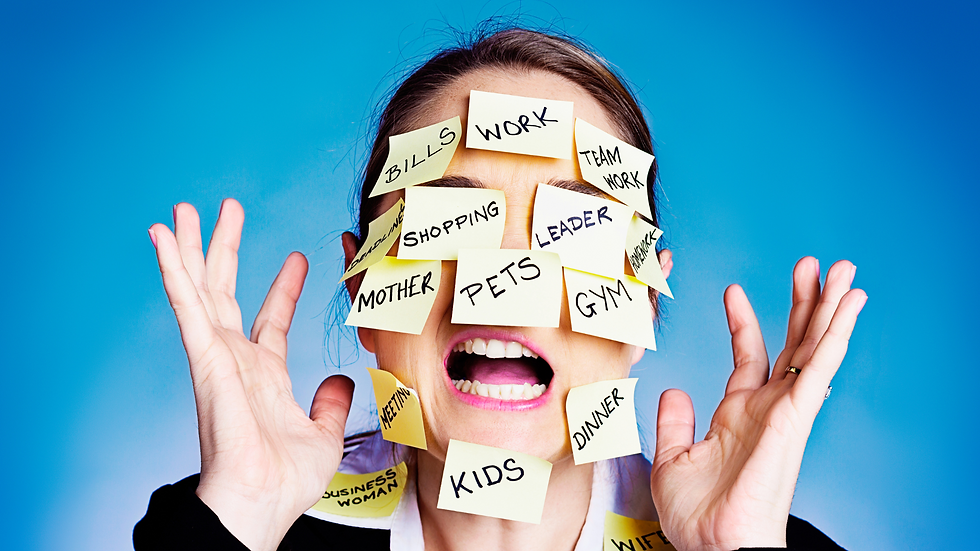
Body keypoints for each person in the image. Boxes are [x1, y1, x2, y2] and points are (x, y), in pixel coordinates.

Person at [135, 27, 865, 551]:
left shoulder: (751, 540)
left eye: (576, 227)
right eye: (447, 222)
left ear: (643, 303)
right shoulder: (222, 529)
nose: (508, 284)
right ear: (363, 292)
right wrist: (239, 522)